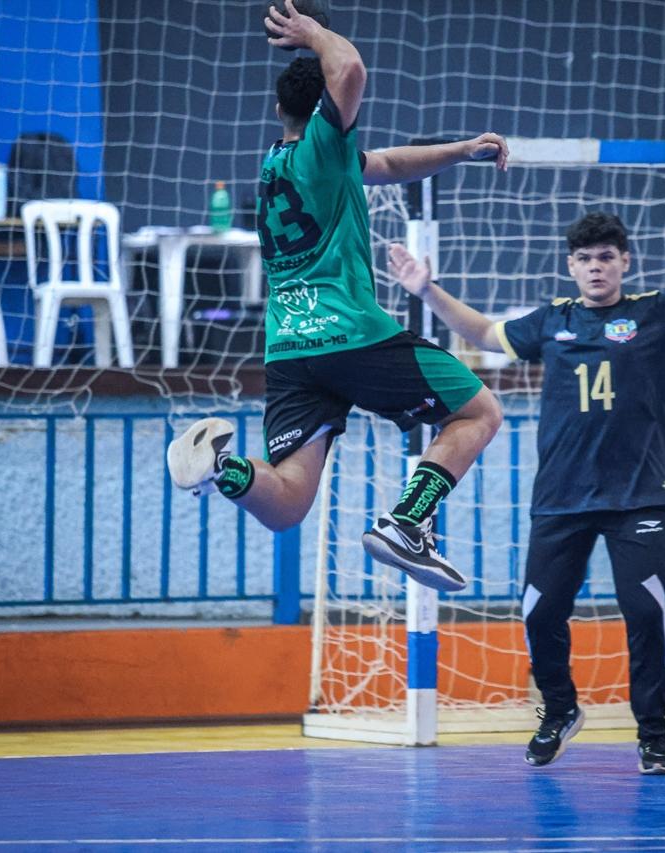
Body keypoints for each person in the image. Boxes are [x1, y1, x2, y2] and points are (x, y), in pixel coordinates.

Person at [388, 181, 665, 773]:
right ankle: (558, 711)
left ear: (624, 262)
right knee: (539, 610)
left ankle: (653, 735)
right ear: (572, 267)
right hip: (560, 497)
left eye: (606, 257)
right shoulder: (551, 322)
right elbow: (485, 334)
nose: (596, 267)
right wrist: (426, 289)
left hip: (638, 497)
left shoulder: (655, 313)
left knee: (644, 613)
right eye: (585, 259)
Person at [166, 0, 508, 593]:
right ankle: (407, 522)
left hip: (288, 348)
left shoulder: (279, 162)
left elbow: (390, 163)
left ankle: (226, 468)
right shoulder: (327, 145)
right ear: (327, 111)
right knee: (479, 411)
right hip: (347, 332)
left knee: (289, 502)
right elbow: (348, 70)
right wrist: (313, 32)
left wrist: (458, 150)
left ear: (279, 110)